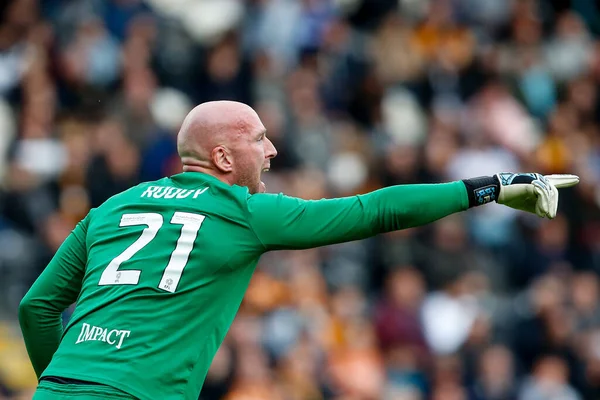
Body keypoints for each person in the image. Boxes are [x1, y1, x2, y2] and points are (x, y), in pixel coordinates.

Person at [18, 101, 578, 400]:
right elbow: (376, 210)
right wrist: (494, 187)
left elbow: (36, 308)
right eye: (258, 138)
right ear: (221, 156)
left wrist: (62, 380)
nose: (272, 149)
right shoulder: (240, 211)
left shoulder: (111, 208)